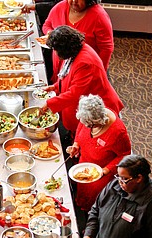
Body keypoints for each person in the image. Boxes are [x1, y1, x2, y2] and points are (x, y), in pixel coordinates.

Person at [40, 26, 123, 156]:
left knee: (93, 145)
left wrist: (50, 104)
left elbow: (75, 94)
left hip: (98, 106)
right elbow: (68, 76)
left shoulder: (85, 62)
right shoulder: (76, 51)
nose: (55, 53)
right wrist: (55, 87)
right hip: (84, 101)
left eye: (56, 50)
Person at [82, 154, 152, 238]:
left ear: (139, 178)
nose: (119, 182)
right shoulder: (115, 185)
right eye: (118, 176)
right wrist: (89, 234)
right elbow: (96, 210)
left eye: (124, 179)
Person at [67, 94, 131, 212]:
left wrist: (105, 170)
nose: (87, 126)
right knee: (82, 193)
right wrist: (76, 145)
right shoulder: (86, 117)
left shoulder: (118, 132)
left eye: (90, 125)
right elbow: (81, 127)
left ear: (98, 121)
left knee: (95, 204)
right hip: (84, 166)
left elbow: (125, 155)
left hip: (101, 175)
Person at [42, 0, 114, 83]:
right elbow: (47, 25)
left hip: (84, 69)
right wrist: (50, 33)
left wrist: (99, 72)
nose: (74, 1)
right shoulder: (60, 7)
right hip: (59, 65)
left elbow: (106, 48)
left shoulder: (99, 16)